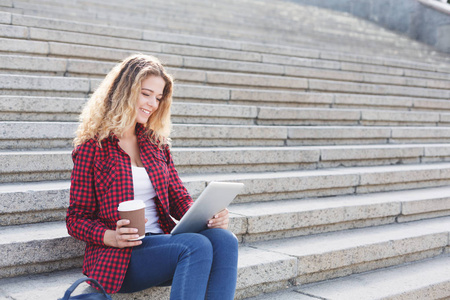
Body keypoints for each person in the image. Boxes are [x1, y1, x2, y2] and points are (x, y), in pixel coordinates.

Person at [66, 54, 239, 299]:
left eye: (158, 98)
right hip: (120, 258)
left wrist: (208, 215)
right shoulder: (92, 148)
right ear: (124, 91)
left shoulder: (156, 144)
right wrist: (111, 237)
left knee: (224, 239)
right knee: (196, 246)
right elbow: (75, 219)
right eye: (146, 94)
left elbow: (179, 198)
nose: (153, 104)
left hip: (164, 246)